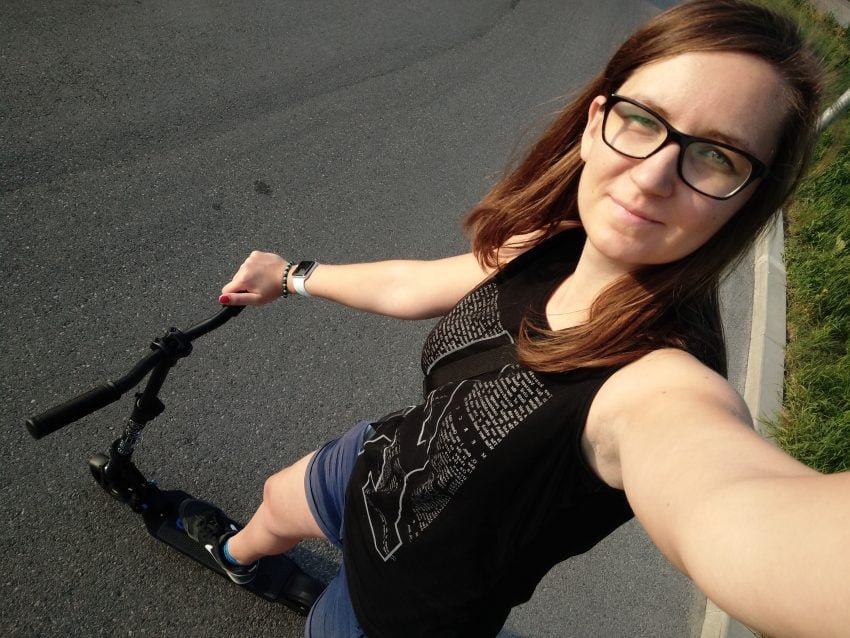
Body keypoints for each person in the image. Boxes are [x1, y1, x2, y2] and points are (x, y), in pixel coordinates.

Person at [178, 1, 848, 636]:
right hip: (380, 462)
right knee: (277, 499)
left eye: (716, 156)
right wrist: (292, 276)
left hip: (397, 611)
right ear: (596, 123)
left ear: (747, 199)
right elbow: (415, 284)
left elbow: (745, 514)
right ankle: (237, 559)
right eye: (644, 120)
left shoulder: (659, 385)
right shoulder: (553, 242)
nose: (652, 177)